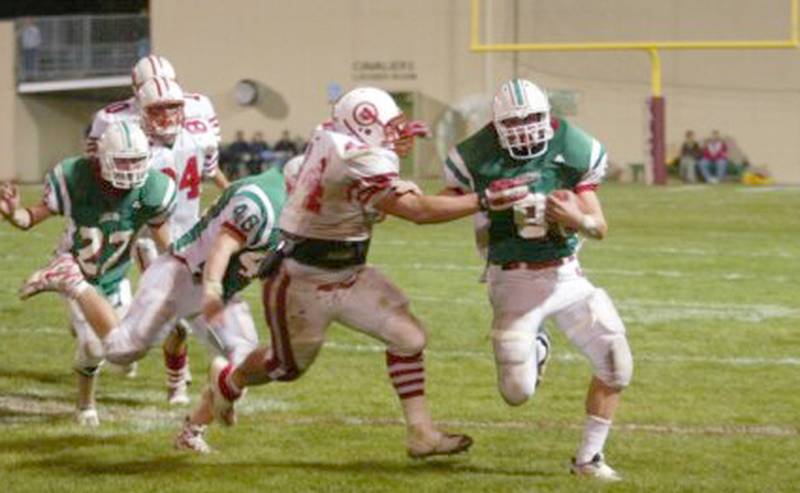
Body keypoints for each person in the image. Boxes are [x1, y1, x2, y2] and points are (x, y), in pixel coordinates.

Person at [203, 87, 532, 458]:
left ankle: (420, 433)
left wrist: (387, 160)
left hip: (349, 270)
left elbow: (365, 186)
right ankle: (229, 380)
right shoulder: (356, 158)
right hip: (302, 279)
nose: (395, 134)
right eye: (386, 127)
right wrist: (484, 200)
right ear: (362, 127)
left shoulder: (335, 135)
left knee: (409, 337)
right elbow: (418, 212)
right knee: (285, 367)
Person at [442, 79, 633, 481]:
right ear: (496, 125)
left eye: (533, 117)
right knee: (516, 393)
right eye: (515, 120)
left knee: (616, 361)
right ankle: (538, 344)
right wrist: (482, 201)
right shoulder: (474, 155)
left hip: (565, 276)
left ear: (548, 116)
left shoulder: (575, 147)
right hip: (512, 280)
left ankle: (588, 460)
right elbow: (445, 201)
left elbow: (599, 227)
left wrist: (576, 219)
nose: (526, 127)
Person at [0, 121, 177, 426]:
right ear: (103, 158)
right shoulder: (75, 177)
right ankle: (85, 404)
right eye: (123, 161)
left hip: (115, 276)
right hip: (78, 268)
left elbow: (166, 243)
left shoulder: (154, 189)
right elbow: (30, 219)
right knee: (95, 347)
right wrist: (13, 212)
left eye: (137, 161)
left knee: (126, 351)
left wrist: (182, 267)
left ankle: (85, 328)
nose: (131, 169)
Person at [134, 76, 228, 404]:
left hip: (194, 234)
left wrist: (231, 196)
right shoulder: (137, 148)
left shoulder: (198, 139)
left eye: (172, 108)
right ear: (143, 112)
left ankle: (228, 376)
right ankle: (176, 383)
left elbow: (210, 174)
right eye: (157, 110)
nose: (166, 116)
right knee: (177, 322)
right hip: (152, 240)